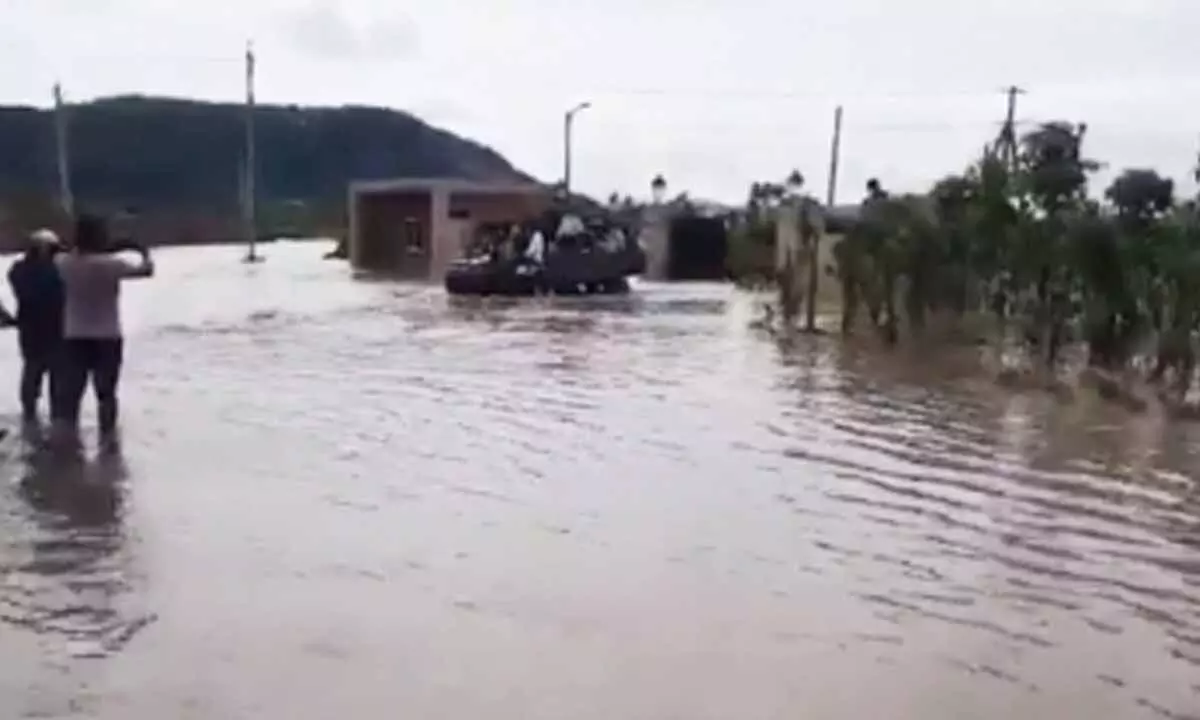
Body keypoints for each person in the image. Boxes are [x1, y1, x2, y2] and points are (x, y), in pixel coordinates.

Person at [55, 214, 154, 440]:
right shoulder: (113, 265)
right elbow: (146, 270)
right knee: (106, 394)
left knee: (71, 393)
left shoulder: (65, 264)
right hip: (108, 335)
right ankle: (108, 441)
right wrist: (143, 251)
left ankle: (68, 444)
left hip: (74, 335)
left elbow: (57, 251)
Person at [7, 228, 66, 422]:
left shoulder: (17, 270)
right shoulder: (57, 270)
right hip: (56, 329)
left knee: (31, 372)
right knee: (56, 378)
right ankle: (57, 418)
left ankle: (29, 416)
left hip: (29, 329)